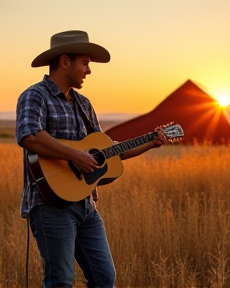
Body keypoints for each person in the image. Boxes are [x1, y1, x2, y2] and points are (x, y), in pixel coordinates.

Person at [16, 30, 166, 288]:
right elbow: (29, 136)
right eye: (85, 63)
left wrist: (149, 142)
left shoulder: (83, 104)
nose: (88, 71)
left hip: (86, 206)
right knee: (60, 281)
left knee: (104, 277)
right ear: (65, 61)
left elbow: (105, 149)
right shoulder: (35, 95)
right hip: (50, 206)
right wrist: (76, 155)